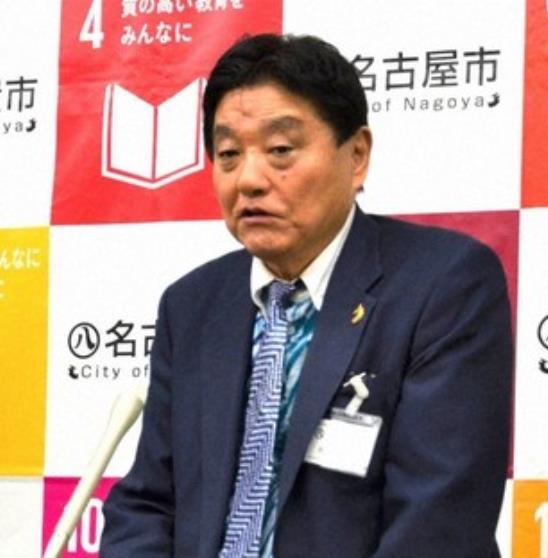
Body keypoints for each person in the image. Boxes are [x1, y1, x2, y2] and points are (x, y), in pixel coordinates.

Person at [100, 33, 512, 558]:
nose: (249, 180)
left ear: (356, 156)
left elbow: (437, 527)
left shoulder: (443, 286)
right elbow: (148, 504)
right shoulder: (192, 305)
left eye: (280, 150)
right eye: (228, 154)